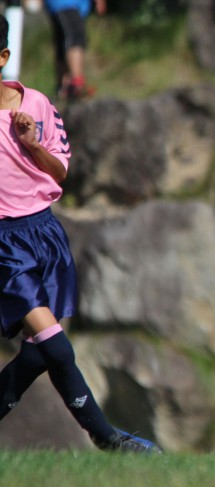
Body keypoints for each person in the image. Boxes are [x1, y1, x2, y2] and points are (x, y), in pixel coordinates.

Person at [0, 14, 160, 453]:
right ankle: (108, 439)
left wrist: (32, 144)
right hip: (4, 245)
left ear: (4, 57)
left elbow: (60, 170)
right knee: (56, 345)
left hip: (44, 233)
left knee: (39, 351)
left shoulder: (36, 104)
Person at [44, 0, 105, 102]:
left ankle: (63, 88)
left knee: (62, 43)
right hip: (67, 3)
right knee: (75, 38)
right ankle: (76, 85)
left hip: (63, 5)